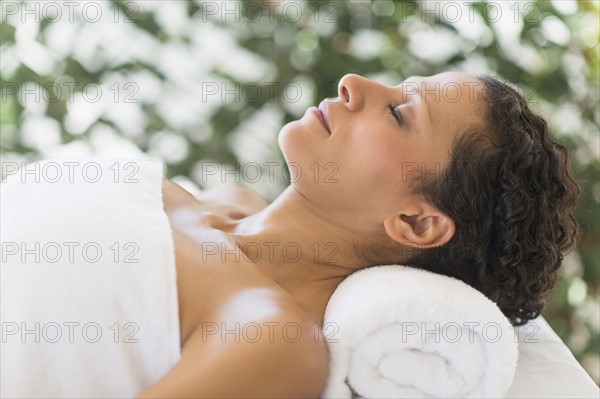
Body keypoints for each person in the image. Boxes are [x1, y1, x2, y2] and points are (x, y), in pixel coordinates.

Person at [136, 72, 580, 398]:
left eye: (397, 113)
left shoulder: (272, 340)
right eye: (396, 85)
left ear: (416, 223)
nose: (353, 84)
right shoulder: (228, 199)